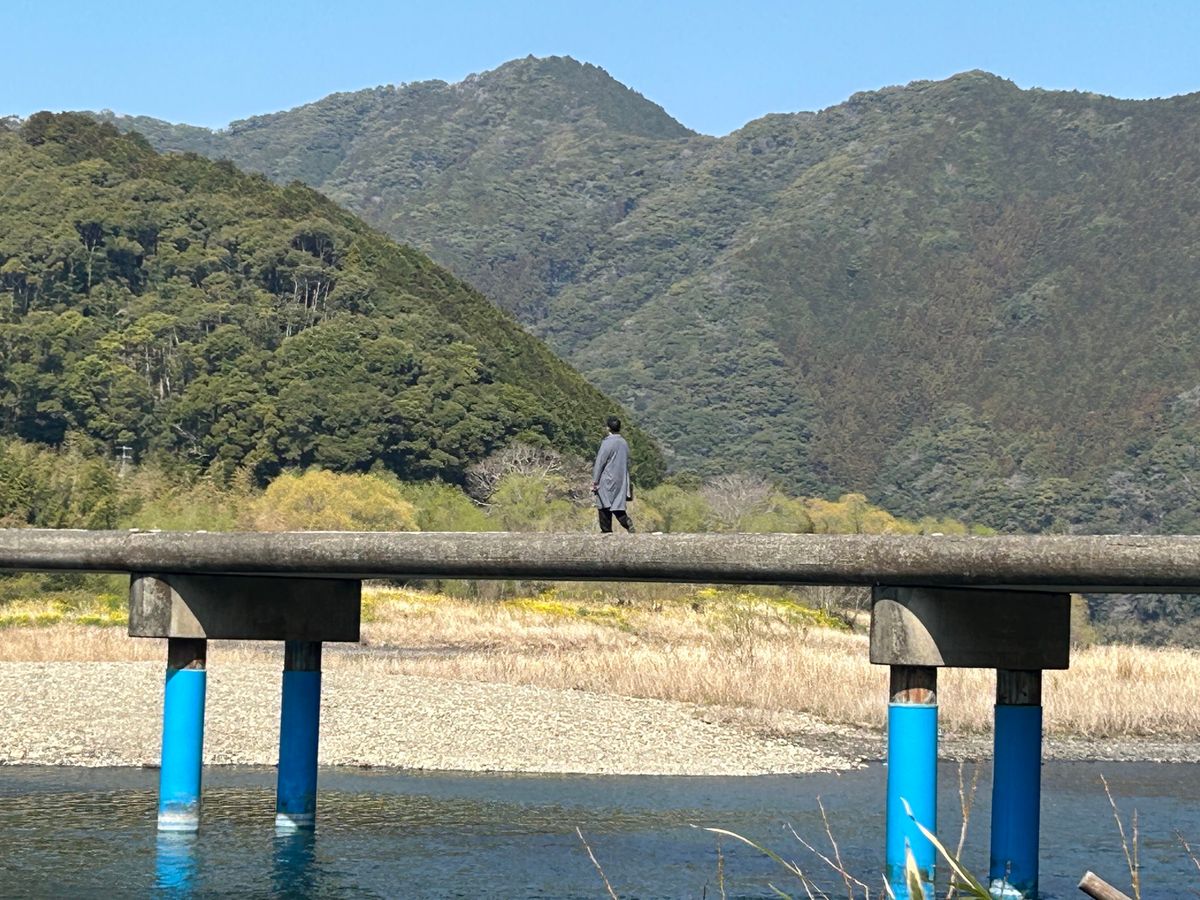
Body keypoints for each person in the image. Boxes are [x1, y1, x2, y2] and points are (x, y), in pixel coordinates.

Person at [592, 416, 635, 533]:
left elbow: (600, 462)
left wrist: (595, 481)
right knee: (617, 505)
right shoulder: (623, 443)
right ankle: (626, 522)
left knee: (604, 505)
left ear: (608, 428)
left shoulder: (607, 443)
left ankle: (606, 532)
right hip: (621, 479)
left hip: (606, 479)